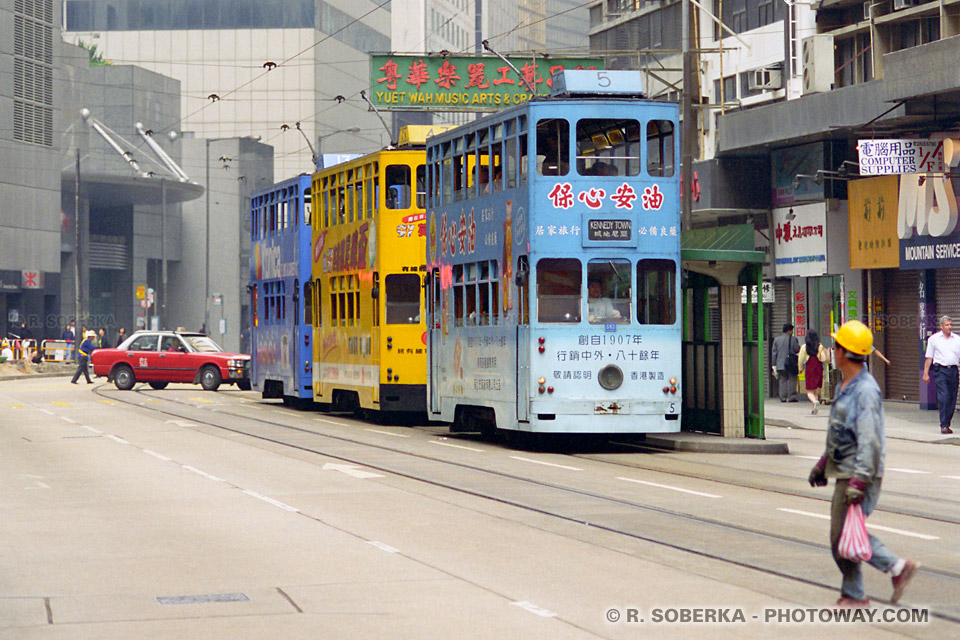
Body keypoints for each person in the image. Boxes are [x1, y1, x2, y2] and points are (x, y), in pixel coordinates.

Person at [807, 320, 919, 607]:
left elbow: (870, 440)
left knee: (842, 535)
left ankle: (892, 570)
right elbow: (840, 432)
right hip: (846, 470)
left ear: (845, 352)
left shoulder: (865, 391)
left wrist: (859, 480)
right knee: (844, 534)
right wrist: (823, 463)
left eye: (836, 347)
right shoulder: (847, 383)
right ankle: (856, 592)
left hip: (860, 473)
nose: (832, 351)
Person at [922, 315, 960, 434]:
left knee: (952, 398)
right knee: (944, 396)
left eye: (950, 325)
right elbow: (929, 357)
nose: (949, 327)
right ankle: (943, 424)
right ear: (941, 326)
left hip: (953, 370)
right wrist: (925, 373)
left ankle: (947, 423)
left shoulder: (957, 339)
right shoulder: (934, 339)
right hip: (940, 371)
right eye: (947, 325)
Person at [798, 329, 830, 414]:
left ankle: (814, 402)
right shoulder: (820, 346)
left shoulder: (804, 347)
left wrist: (800, 369)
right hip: (818, 368)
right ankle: (814, 408)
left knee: (809, 391)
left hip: (809, 369)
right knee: (815, 390)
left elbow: (800, 359)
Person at [772, 323, 800, 402]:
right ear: (789, 330)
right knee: (792, 379)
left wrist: (774, 364)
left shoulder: (777, 339)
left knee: (782, 380)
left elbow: (774, 353)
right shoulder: (793, 339)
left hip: (780, 363)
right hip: (791, 363)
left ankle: (782, 397)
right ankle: (791, 396)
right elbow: (797, 349)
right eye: (792, 330)